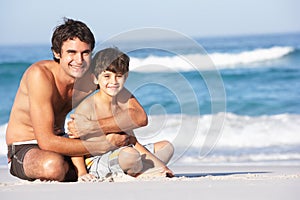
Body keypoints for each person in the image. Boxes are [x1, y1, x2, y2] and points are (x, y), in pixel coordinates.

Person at [5, 18, 147, 182]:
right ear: (57, 53)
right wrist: (105, 144)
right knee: (53, 166)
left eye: (85, 53)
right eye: (71, 53)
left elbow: (139, 116)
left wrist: (95, 126)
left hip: (63, 144)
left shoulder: (92, 77)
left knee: (125, 157)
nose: (79, 60)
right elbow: (46, 141)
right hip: (25, 147)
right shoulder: (40, 75)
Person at [69, 47, 174, 182]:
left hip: (125, 153)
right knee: (129, 155)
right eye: (107, 76)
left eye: (119, 76)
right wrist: (82, 173)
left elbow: (132, 142)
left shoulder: (122, 104)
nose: (113, 82)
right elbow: (74, 144)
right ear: (95, 78)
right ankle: (140, 172)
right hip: (96, 161)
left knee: (166, 147)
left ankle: (139, 169)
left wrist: (162, 167)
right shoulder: (88, 107)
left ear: (126, 77)